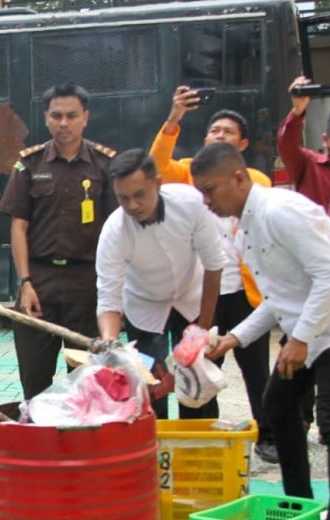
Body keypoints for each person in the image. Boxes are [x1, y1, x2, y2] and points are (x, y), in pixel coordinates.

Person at [197, 142, 330, 520]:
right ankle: (300, 508)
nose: (207, 200)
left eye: (211, 190)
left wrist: (301, 339)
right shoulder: (245, 227)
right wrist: (234, 338)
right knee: (278, 406)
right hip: (308, 324)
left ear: (239, 178)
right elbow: (278, 297)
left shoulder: (278, 211)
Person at [150, 86, 278, 461]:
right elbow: (155, 166)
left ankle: (267, 435)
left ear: (242, 143)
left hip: (243, 294)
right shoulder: (187, 172)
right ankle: (199, 434)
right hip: (198, 295)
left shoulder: (255, 180)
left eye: (228, 132)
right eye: (213, 131)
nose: (219, 135)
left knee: (256, 369)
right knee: (197, 369)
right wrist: (173, 118)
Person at [0, 83, 117, 401]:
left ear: (85, 118)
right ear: (47, 118)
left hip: (87, 282)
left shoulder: (104, 166)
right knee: (35, 375)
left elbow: (115, 231)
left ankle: (82, 444)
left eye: (71, 115)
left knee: (87, 377)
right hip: (39, 282)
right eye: (57, 115)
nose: (64, 123)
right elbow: (18, 227)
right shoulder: (29, 165)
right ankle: (41, 442)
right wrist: (24, 282)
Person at [95, 149, 231, 419]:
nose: (132, 205)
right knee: (150, 387)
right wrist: (110, 341)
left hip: (193, 297)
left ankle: (196, 448)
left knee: (197, 386)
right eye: (124, 198)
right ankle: (156, 450)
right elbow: (109, 298)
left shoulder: (191, 203)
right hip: (144, 307)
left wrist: (202, 330)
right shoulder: (114, 231)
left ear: (157, 183)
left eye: (140, 195)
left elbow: (214, 265)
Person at [279, 77, 330, 256]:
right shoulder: (308, 164)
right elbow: (286, 144)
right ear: (325, 140)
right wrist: (297, 110)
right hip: (306, 257)